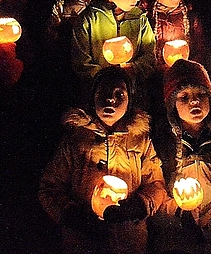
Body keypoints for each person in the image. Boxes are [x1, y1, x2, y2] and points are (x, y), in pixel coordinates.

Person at [39, 66, 166, 254]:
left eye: (119, 94)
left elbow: (156, 184)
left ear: (130, 101)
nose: (110, 99)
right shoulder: (75, 140)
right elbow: (49, 188)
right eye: (103, 93)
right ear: (92, 97)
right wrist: (73, 216)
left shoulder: (140, 141)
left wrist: (138, 207)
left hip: (129, 241)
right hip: (82, 242)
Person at [150, 59, 211, 253]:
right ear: (172, 105)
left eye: (201, 94)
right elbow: (155, 187)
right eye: (184, 97)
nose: (194, 101)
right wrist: (179, 217)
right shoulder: (163, 144)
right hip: (172, 239)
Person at [71, 0, 155, 107]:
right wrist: (107, 77)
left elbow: (150, 56)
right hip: (97, 100)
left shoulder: (139, 18)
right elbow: (80, 63)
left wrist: (133, 70)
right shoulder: (89, 20)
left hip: (134, 99)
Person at [144, 0, 206, 71]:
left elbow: (199, 46)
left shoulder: (189, 16)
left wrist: (192, 66)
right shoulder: (146, 16)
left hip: (184, 71)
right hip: (154, 73)